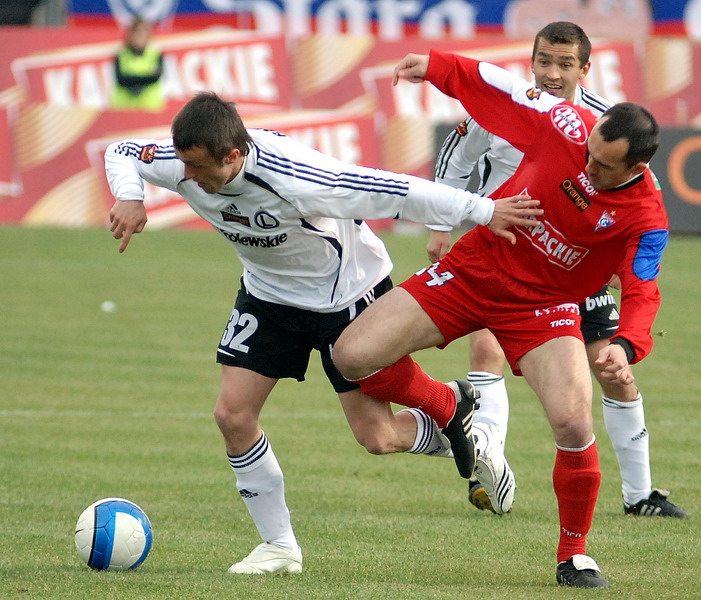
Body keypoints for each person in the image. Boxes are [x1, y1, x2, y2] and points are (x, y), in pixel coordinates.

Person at [105, 92, 541, 575]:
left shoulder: (298, 177)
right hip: (268, 298)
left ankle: (457, 420)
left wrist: (483, 211)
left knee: (376, 437)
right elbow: (121, 151)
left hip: (346, 297)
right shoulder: (181, 160)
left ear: (233, 156)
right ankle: (280, 547)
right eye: (181, 164)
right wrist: (130, 194)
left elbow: (397, 190)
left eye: (196, 168)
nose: (184, 177)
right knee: (232, 414)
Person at [333, 50, 669, 588]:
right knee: (351, 356)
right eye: (589, 153)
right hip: (475, 269)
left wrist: (625, 346)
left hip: (544, 309)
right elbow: (502, 87)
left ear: (637, 168)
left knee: (573, 423)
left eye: (604, 167)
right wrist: (439, 68)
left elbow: (643, 289)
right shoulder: (568, 125)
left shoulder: (647, 216)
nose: (588, 168)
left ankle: (574, 555)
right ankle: (447, 403)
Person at [430, 22, 686, 519]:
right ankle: (490, 465)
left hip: (575, 263)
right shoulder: (510, 107)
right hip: (505, 247)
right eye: (544, 61)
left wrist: (617, 256)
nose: (551, 73)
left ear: (584, 69)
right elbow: (457, 155)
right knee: (487, 348)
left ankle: (640, 495)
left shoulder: (600, 126)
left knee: (614, 370)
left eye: (564, 64)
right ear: (532, 61)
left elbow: (637, 199)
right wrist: (442, 221)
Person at [111, 16, 165, 111]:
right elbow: (121, 79)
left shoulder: (155, 55)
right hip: (124, 109)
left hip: (150, 108)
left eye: (143, 33)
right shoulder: (121, 55)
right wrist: (144, 78)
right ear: (130, 35)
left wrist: (133, 80)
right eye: (137, 33)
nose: (140, 37)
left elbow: (155, 77)